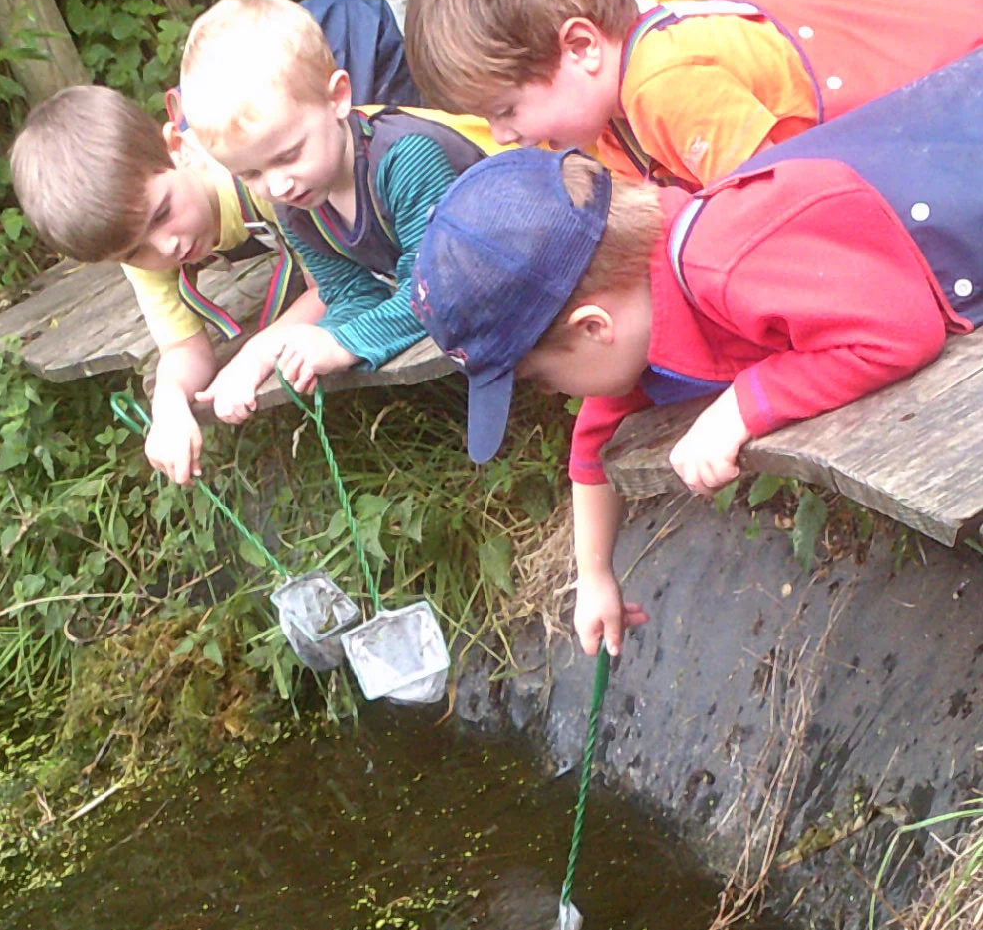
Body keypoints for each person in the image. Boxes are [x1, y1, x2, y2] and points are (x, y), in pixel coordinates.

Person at [411, 59, 982, 653]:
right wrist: (595, 575)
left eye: (544, 378)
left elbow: (900, 332)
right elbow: (592, 447)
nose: (557, 395)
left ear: (593, 326)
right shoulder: (641, 314)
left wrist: (743, 405)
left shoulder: (724, 261)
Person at [10, 0, 421, 486]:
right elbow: (185, 349)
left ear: (179, 147)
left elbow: (330, 286)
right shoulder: (141, 239)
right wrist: (168, 405)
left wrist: (258, 351)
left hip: (354, 49)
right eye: (133, 251)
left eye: (163, 214)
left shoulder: (267, 166)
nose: (165, 248)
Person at [403, 0, 983, 188]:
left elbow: (777, 207)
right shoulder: (602, 116)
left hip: (941, 95)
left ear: (580, 47)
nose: (502, 134)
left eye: (505, 109)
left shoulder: (663, 81)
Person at [177, 0, 498, 422]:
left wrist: (343, 345)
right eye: (250, 174)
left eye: (289, 155)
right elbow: (351, 293)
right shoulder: (297, 204)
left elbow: (438, 290)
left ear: (338, 98)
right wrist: (310, 344)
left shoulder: (404, 159)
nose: (276, 184)